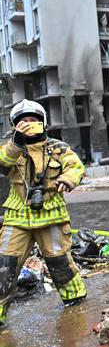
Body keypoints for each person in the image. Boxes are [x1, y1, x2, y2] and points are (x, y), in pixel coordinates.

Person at [0, 100, 87, 327]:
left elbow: (76, 166)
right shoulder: (10, 148)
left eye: (33, 121)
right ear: (14, 126)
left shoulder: (58, 147)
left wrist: (68, 180)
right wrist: (16, 142)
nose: (28, 125)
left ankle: (76, 306)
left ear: (43, 123)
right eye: (22, 122)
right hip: (16, 217)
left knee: (59, 263)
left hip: (52, 216)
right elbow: (3, 163)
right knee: (4, 265)